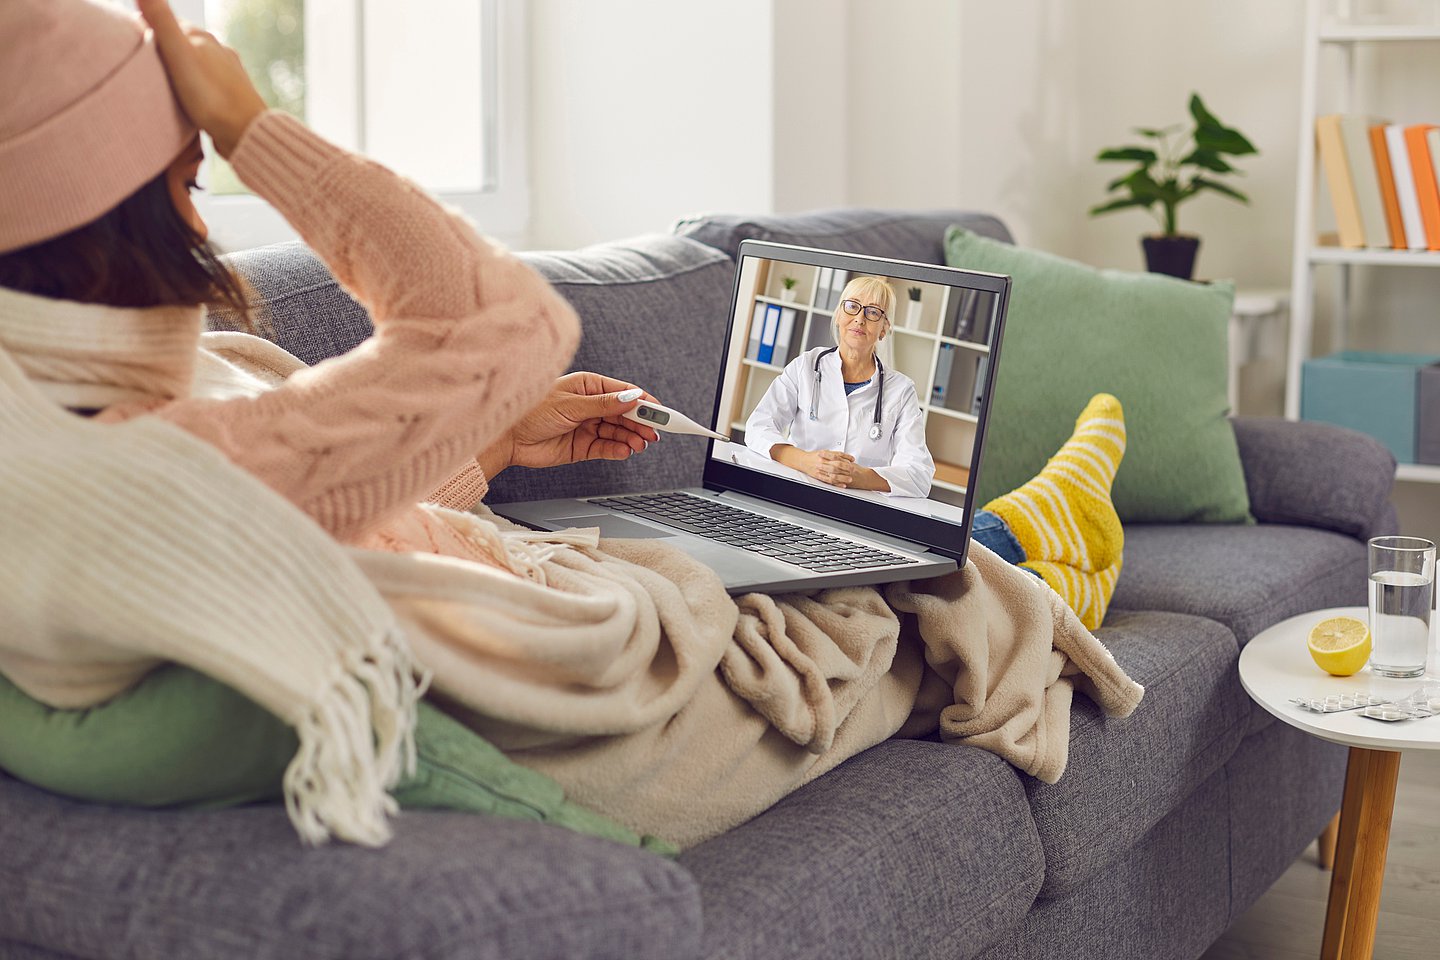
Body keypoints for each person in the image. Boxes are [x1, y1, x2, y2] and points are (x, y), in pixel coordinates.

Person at [0, 0, 1140, 850]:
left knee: (875, 543)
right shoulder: (157, 475)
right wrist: (254, 124)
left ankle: (1036, 521)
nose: (204, 212)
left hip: (537, 577)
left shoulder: (76, 426)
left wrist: (491, 444)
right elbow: (497, 319)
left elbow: (349, 532)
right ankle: (1053, 527)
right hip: (605, 657)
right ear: (106, 217)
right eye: (190, 181)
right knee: (942, 575)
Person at [744, 276, 935, 497]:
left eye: (873, 312)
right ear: (838, 315)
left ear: (884, 329)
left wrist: (858, 476)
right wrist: (806, 461)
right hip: (794, 495)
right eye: (852, 306)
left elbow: (919, 475)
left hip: (857, 510)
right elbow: (757, 427)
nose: (860, 319)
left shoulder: (901, 391)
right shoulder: (805, 366)